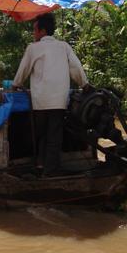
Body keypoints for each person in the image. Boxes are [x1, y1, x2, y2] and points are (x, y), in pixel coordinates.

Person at [12, 13, 90, 176]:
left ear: (42, 30)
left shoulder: (33, 48)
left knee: (41, 134)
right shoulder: (64, 46)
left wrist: (15, 85)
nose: (33, 33)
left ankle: (42, 166)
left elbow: (23, 70)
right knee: (54, 136)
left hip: (40, 100)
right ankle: (50, 169)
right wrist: (85, 84)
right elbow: (76, 67)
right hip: (59, 100)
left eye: (35, 29)